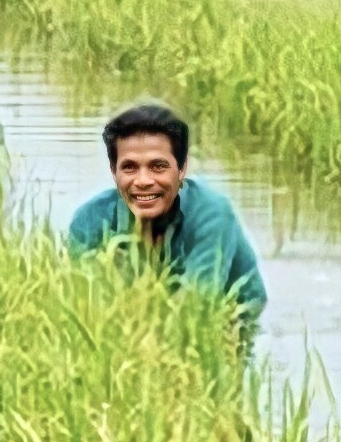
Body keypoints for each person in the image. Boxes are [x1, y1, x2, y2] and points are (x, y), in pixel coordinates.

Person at [67, 101, 267, 333]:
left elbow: (197, 309)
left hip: (232, 325)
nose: (143, 181)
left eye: (158, 167)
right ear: (114, 172)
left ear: (181, 169)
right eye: (129, 168)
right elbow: (87, 307)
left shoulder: (213, 214)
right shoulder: (90, 221)